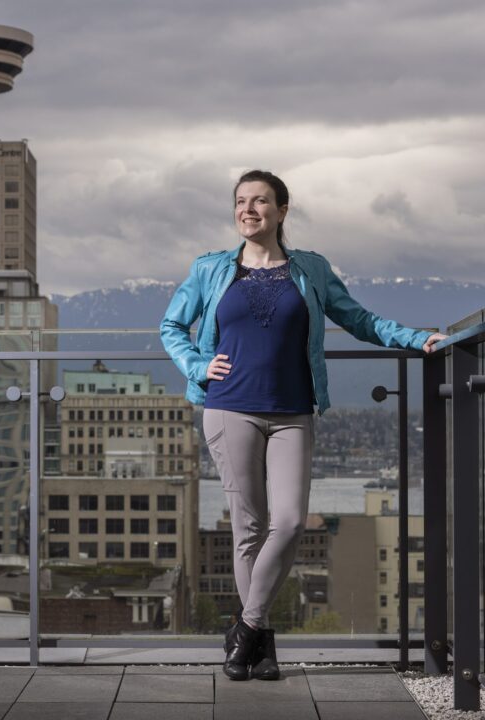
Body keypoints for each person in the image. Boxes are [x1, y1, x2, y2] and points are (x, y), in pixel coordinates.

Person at [160, 169, 446, 681]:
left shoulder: (309, 269)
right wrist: (198, 366)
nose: (248, 210)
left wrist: (413, 337)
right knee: (247, 530)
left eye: (261, 201)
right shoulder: (209, 270)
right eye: (241, 202)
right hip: (229, 408)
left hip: (293, 412)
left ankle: (244, 630)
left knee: (288, 522)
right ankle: (263, 647)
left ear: (282, 211)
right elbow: (171, 326)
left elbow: (359, 319)